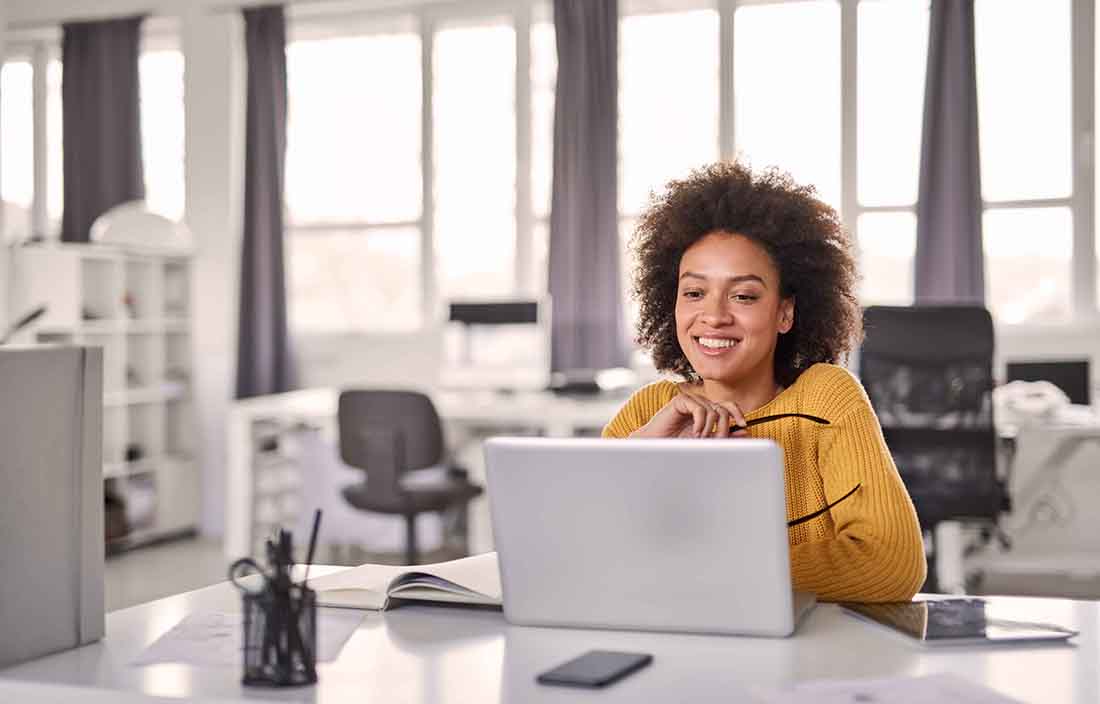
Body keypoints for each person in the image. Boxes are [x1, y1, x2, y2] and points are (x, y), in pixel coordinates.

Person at [603, 161, 926, 603]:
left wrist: (704, 574)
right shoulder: (648, 412)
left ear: (785, 312)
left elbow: (891, 562)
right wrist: (639, 458)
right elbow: (589, 563)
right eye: (694, 293)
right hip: (671, 654)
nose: (713, 316)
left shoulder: (827, 398)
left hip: (807, 660)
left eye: (744, 295)